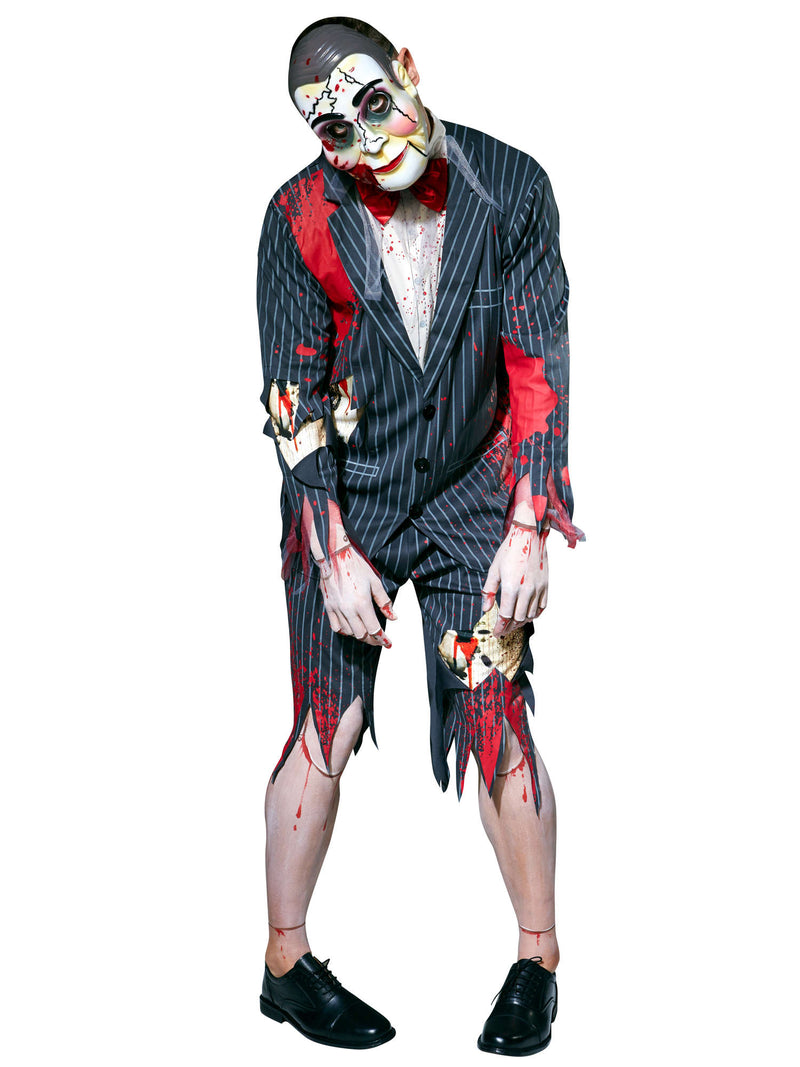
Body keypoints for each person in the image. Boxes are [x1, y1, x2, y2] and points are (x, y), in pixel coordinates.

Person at [255, 15, 583, 1055]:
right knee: (329, 718)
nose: (366, 140)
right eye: (334, 131)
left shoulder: (509, 185)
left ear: (405, 71)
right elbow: (294, 396)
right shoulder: (296, 216)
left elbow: (536, 362)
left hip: (475, 486)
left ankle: (536, 961)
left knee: (495, 708)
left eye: (374, 104)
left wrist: (529, 524)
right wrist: (331, 549)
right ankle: (284, 964)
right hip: (346, 496)